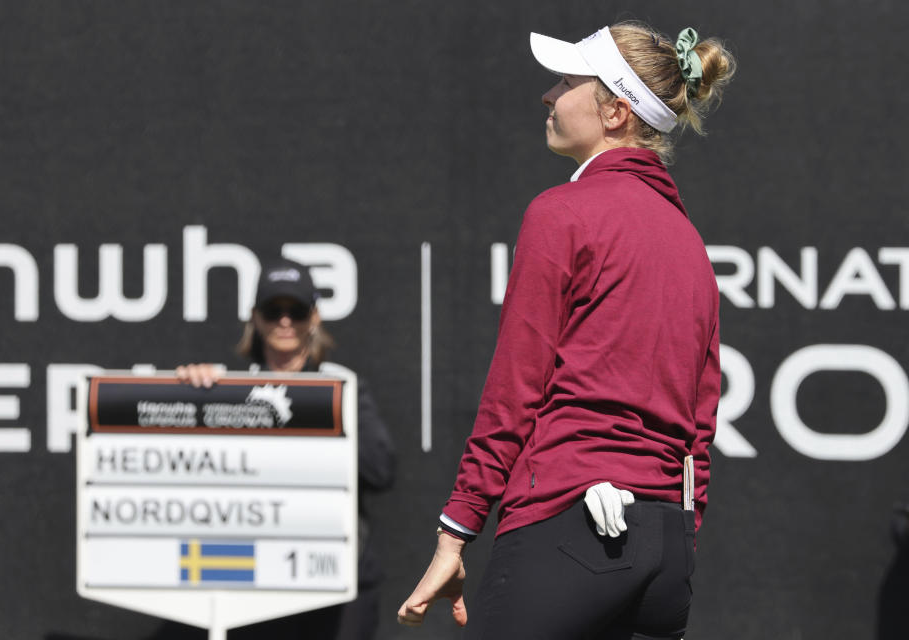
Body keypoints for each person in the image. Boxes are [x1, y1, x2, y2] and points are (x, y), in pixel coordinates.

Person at [398, 22, 734, 640]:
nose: (548, 96)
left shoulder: (563, 212)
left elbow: (515, 390)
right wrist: (681, 534)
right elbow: (701, 423)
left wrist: (456, 531)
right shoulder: (690, 243)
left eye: (566, 82)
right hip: (665, 551)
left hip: (567, 532)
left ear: (615, 111)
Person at [176, 257, 396, 640]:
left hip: (340, 579)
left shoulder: (340, 387)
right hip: (259, 579)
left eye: (295, 310)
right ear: (255, 318)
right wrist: (192, 392)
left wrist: (326, 415)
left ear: (314, 317)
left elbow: (381, 469)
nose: (284, 321)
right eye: (273, 310)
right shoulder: (231, 389)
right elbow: (193, 466)